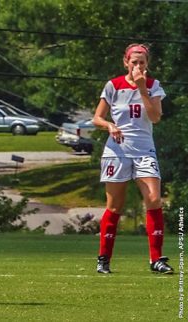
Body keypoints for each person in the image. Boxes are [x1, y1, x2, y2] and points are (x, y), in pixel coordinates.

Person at [93, 43, 173, 275]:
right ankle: (104, 259)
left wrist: (142, 89)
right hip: (116, 151)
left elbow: (155, 117)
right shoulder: (113, 85)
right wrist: (109, 125)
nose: (138, 66)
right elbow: (97, 118)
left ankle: (156, 259)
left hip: (144, 150)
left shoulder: (153, 86)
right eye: (134, 62)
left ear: (147, 64)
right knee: (114, 206)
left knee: (154, 199)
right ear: (125, 62)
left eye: (142, 62)